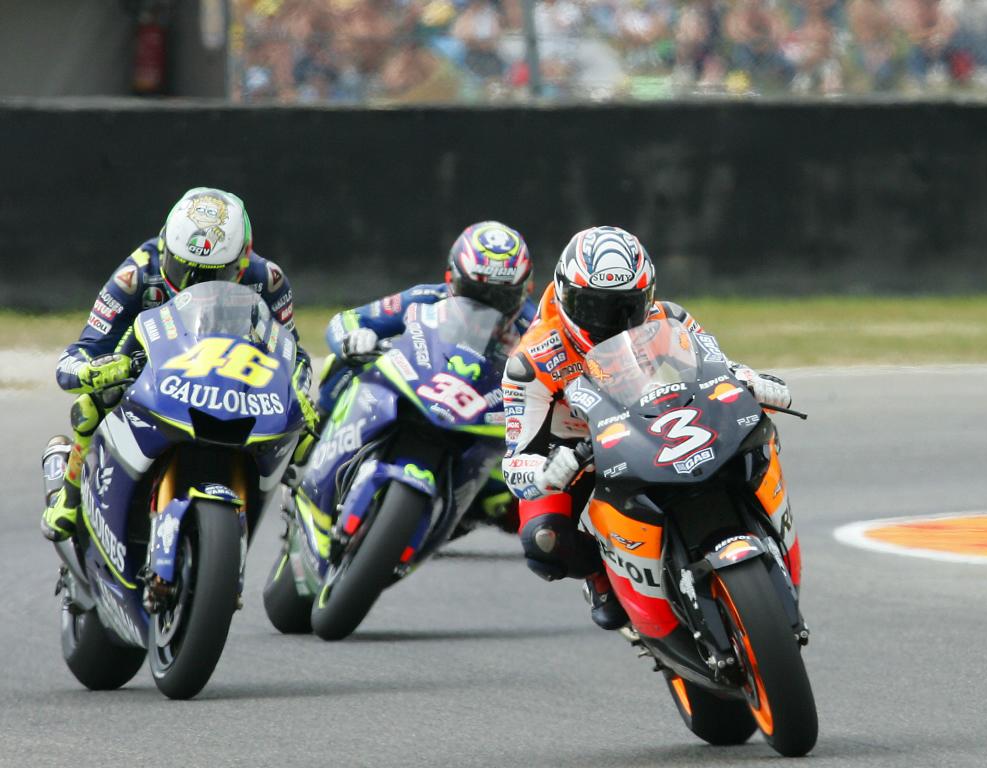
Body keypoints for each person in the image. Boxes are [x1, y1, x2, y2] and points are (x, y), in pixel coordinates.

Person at [500, 225, 793, 630]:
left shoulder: (670, 318)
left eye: (626, 307)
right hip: (576, 452)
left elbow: (719, 369)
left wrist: (752, 381)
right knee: (543, 540)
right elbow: (515, 462)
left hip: (657, 423)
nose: (610, 323)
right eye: (593, 307)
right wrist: (547, 469)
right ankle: (602, 576)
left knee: (749, 441)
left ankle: (760, 530)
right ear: (565, 296)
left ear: (647, 296)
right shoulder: (531, 360)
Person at [41, 187, 314, 541]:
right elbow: (78, 354)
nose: (190, 283)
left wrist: (299, 389)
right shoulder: (136, 275)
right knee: (92, 402)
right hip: (151, 366)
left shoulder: (268, 281)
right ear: (166, 246)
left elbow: (292, 352)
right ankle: (70, 493)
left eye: (210, 274)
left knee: (304, 435)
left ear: (241, 263)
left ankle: (303, 530)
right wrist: (93, 370)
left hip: (233, 376)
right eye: (181, 267)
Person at [305, 220, 536, 533]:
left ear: (525, 292)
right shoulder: (425, 297)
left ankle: (457, 509)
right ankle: (315, 438)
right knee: (343, 363)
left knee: (517, 501)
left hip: (483, 425)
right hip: (419, 389)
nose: (487, 306)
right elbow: (348, 320)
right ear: (450, 278)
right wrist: (353, 339)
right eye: (475, 293)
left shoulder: (534, 327)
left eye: (501, 298)